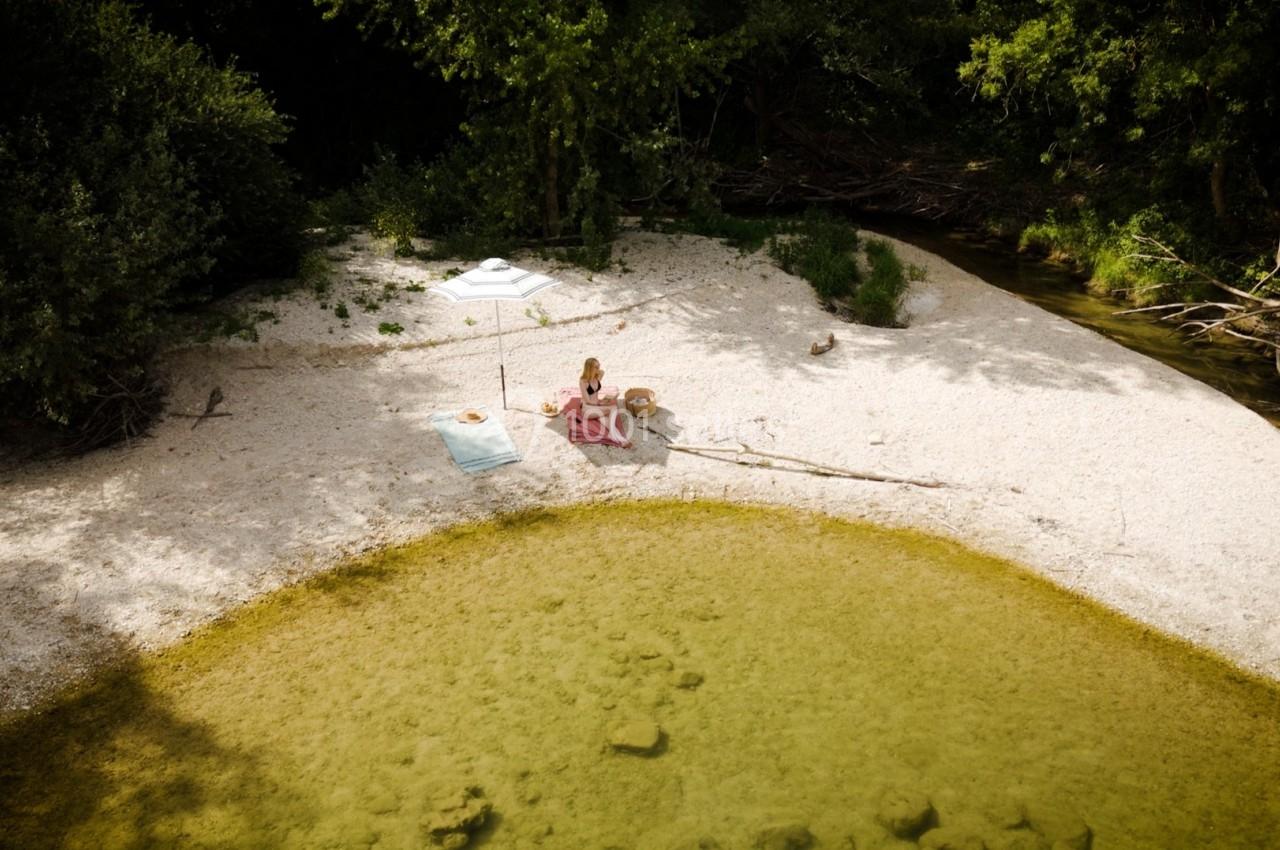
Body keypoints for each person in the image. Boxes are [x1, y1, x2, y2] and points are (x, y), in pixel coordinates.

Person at [578, 357, 631, 448]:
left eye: (599, 366)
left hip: (597, 407)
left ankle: (622, 440)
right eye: (596, 367)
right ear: (589, 368)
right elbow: (588, 400)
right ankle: (613, 435)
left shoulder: (597, 377)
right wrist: (602, 404)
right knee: (613, 408)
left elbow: (602, 372)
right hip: (588, 408)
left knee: (608, 423)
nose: (599, 369)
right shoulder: (583, 381)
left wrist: (605, 401)